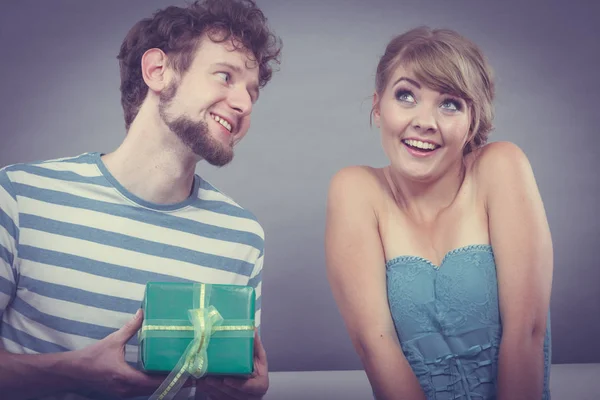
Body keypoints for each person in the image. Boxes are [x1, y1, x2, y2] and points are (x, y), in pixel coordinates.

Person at [0, 0, 281, 399]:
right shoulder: (18, 197)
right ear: (157, 71)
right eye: (225, 76)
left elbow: (215, 383)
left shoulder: (242, 237)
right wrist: (70, 372)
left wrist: (242, 391)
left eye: (252, 92)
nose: (244, 104)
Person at [325, 27, 552, 400]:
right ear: (378, 106)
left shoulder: (501, 166)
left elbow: (526, 331)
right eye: (406, 95)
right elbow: (374, 345)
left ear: (472, 120)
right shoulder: (355, 190)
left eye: (449, 103)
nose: (425, 121)